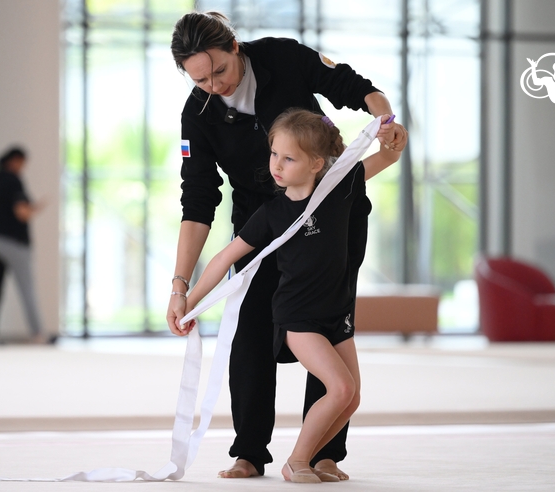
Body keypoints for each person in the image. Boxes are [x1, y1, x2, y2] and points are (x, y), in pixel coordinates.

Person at [166, 11, 408, 480]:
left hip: (330, 209)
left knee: (329, 325)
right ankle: (249, 451)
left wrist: (385, 120)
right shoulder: (197, 115)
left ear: (235, 46)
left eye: (219, 70)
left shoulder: (282, 55)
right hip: (261, 218)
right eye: (199, 79)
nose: (214, 85)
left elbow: (351, 86)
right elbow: (197, 203)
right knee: (251, 331)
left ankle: (323, 453)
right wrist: (182, 288)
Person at [0, 146, 46, 344]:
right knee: (27, 288)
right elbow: (22, 212)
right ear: (16, 160)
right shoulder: (13, 181)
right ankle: (38, 334)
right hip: (13, 241)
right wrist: (35, 208)